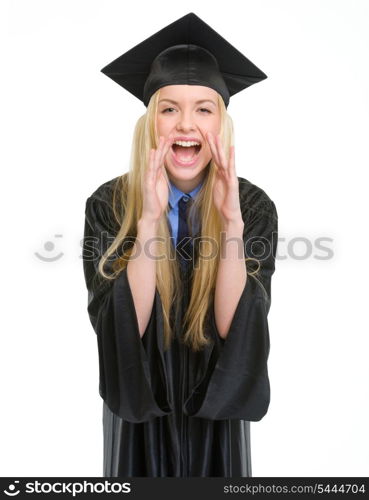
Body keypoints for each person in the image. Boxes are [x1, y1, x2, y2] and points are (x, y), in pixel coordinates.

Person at [82, 12, 278, 477]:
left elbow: (240, 329)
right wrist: (149, 220)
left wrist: (230, 223)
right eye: (169, 108)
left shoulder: (251, 205)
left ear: (221, 123)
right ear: (150, 122)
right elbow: (123, 328)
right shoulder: (109, 203)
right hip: (141, 408)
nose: (185, 124)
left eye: (203, 109)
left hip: (217, 408)